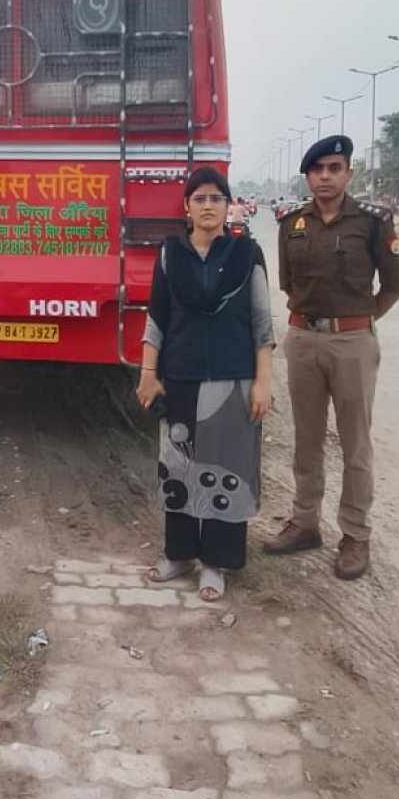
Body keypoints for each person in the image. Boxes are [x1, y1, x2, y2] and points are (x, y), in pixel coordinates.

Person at [264, 135, 399, 579]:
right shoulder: (291, 223)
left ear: (348, 173)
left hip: (352, 344)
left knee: (355, 444)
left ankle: (355, 534)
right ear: (307, 177)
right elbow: (289, 286)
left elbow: (393, 285)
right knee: (306, 441)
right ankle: (305, 523)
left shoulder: (373, 222)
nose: (325, 176)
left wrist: (357, 322)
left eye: (334, 168)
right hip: (303, 339)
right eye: (317, 170)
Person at [136, 167, 274, 601]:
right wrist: (147, 373)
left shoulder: (246, 254)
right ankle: (178, 554)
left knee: (225, 470)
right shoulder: (169, 254)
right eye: (200, 198)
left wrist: (263, 382)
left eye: (217, 198)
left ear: (228, 204)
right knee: (179, 468)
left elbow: (261, 323)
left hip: (233, 380)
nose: (209, 205)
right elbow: (157, 316)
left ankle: (215, 562)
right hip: (181, 378)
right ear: (187, 207)